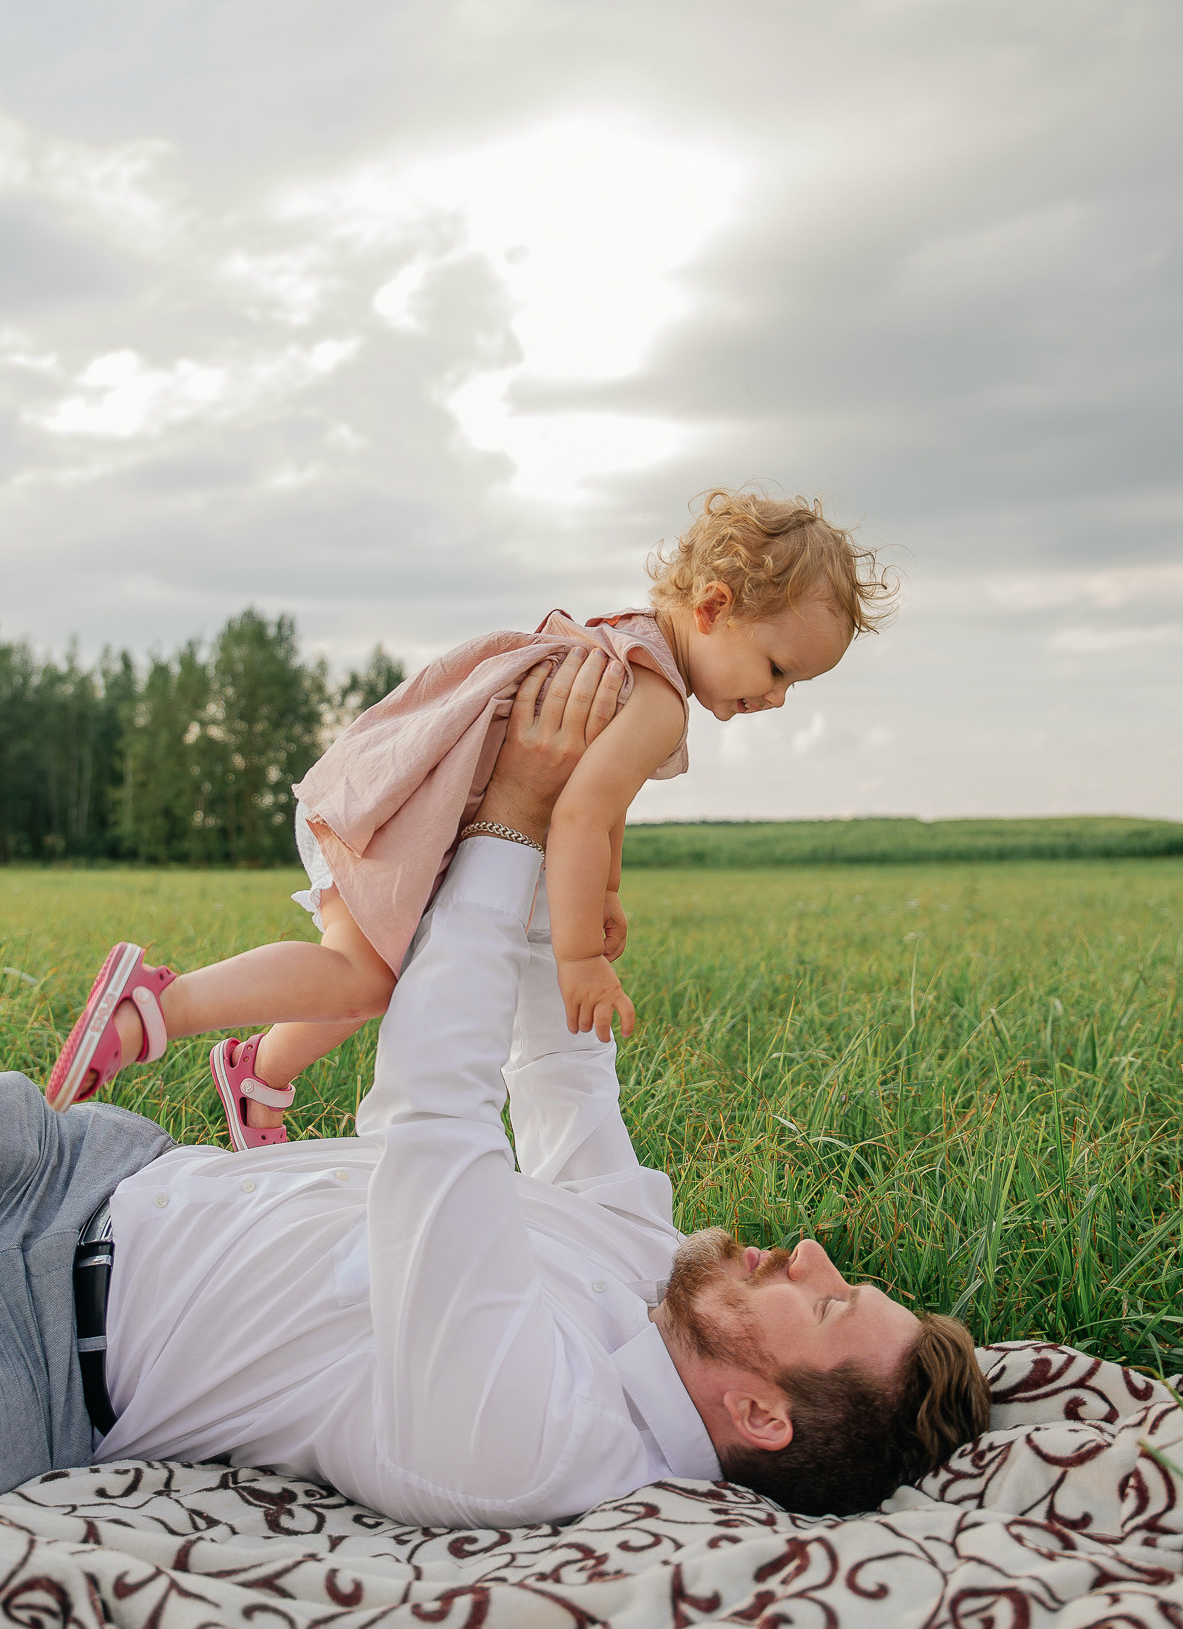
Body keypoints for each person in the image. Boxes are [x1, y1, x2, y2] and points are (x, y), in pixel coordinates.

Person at [0, 661, 989, 1519]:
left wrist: (514, 814)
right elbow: (558, 1063)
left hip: (26, 1371)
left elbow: (438, 1111)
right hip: (73, 1159)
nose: (806, 1253)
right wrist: (569, 836)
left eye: (831, 1300)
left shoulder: (537, 1440)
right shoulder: (651, 1267)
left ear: (758, 1413)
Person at [45, 490, 895, 1148]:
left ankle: (256, 1076)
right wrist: (580, 956)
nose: (777, 698)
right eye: (777, 667)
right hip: (404, 815)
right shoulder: (660, 702)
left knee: (382, 973)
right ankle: (160, 1008)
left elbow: (598, 805)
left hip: (393, 789)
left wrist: (606, 889)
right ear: (712, 608)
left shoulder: (632, 642)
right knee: (364, 976)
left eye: (797, 688)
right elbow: (578, 819)